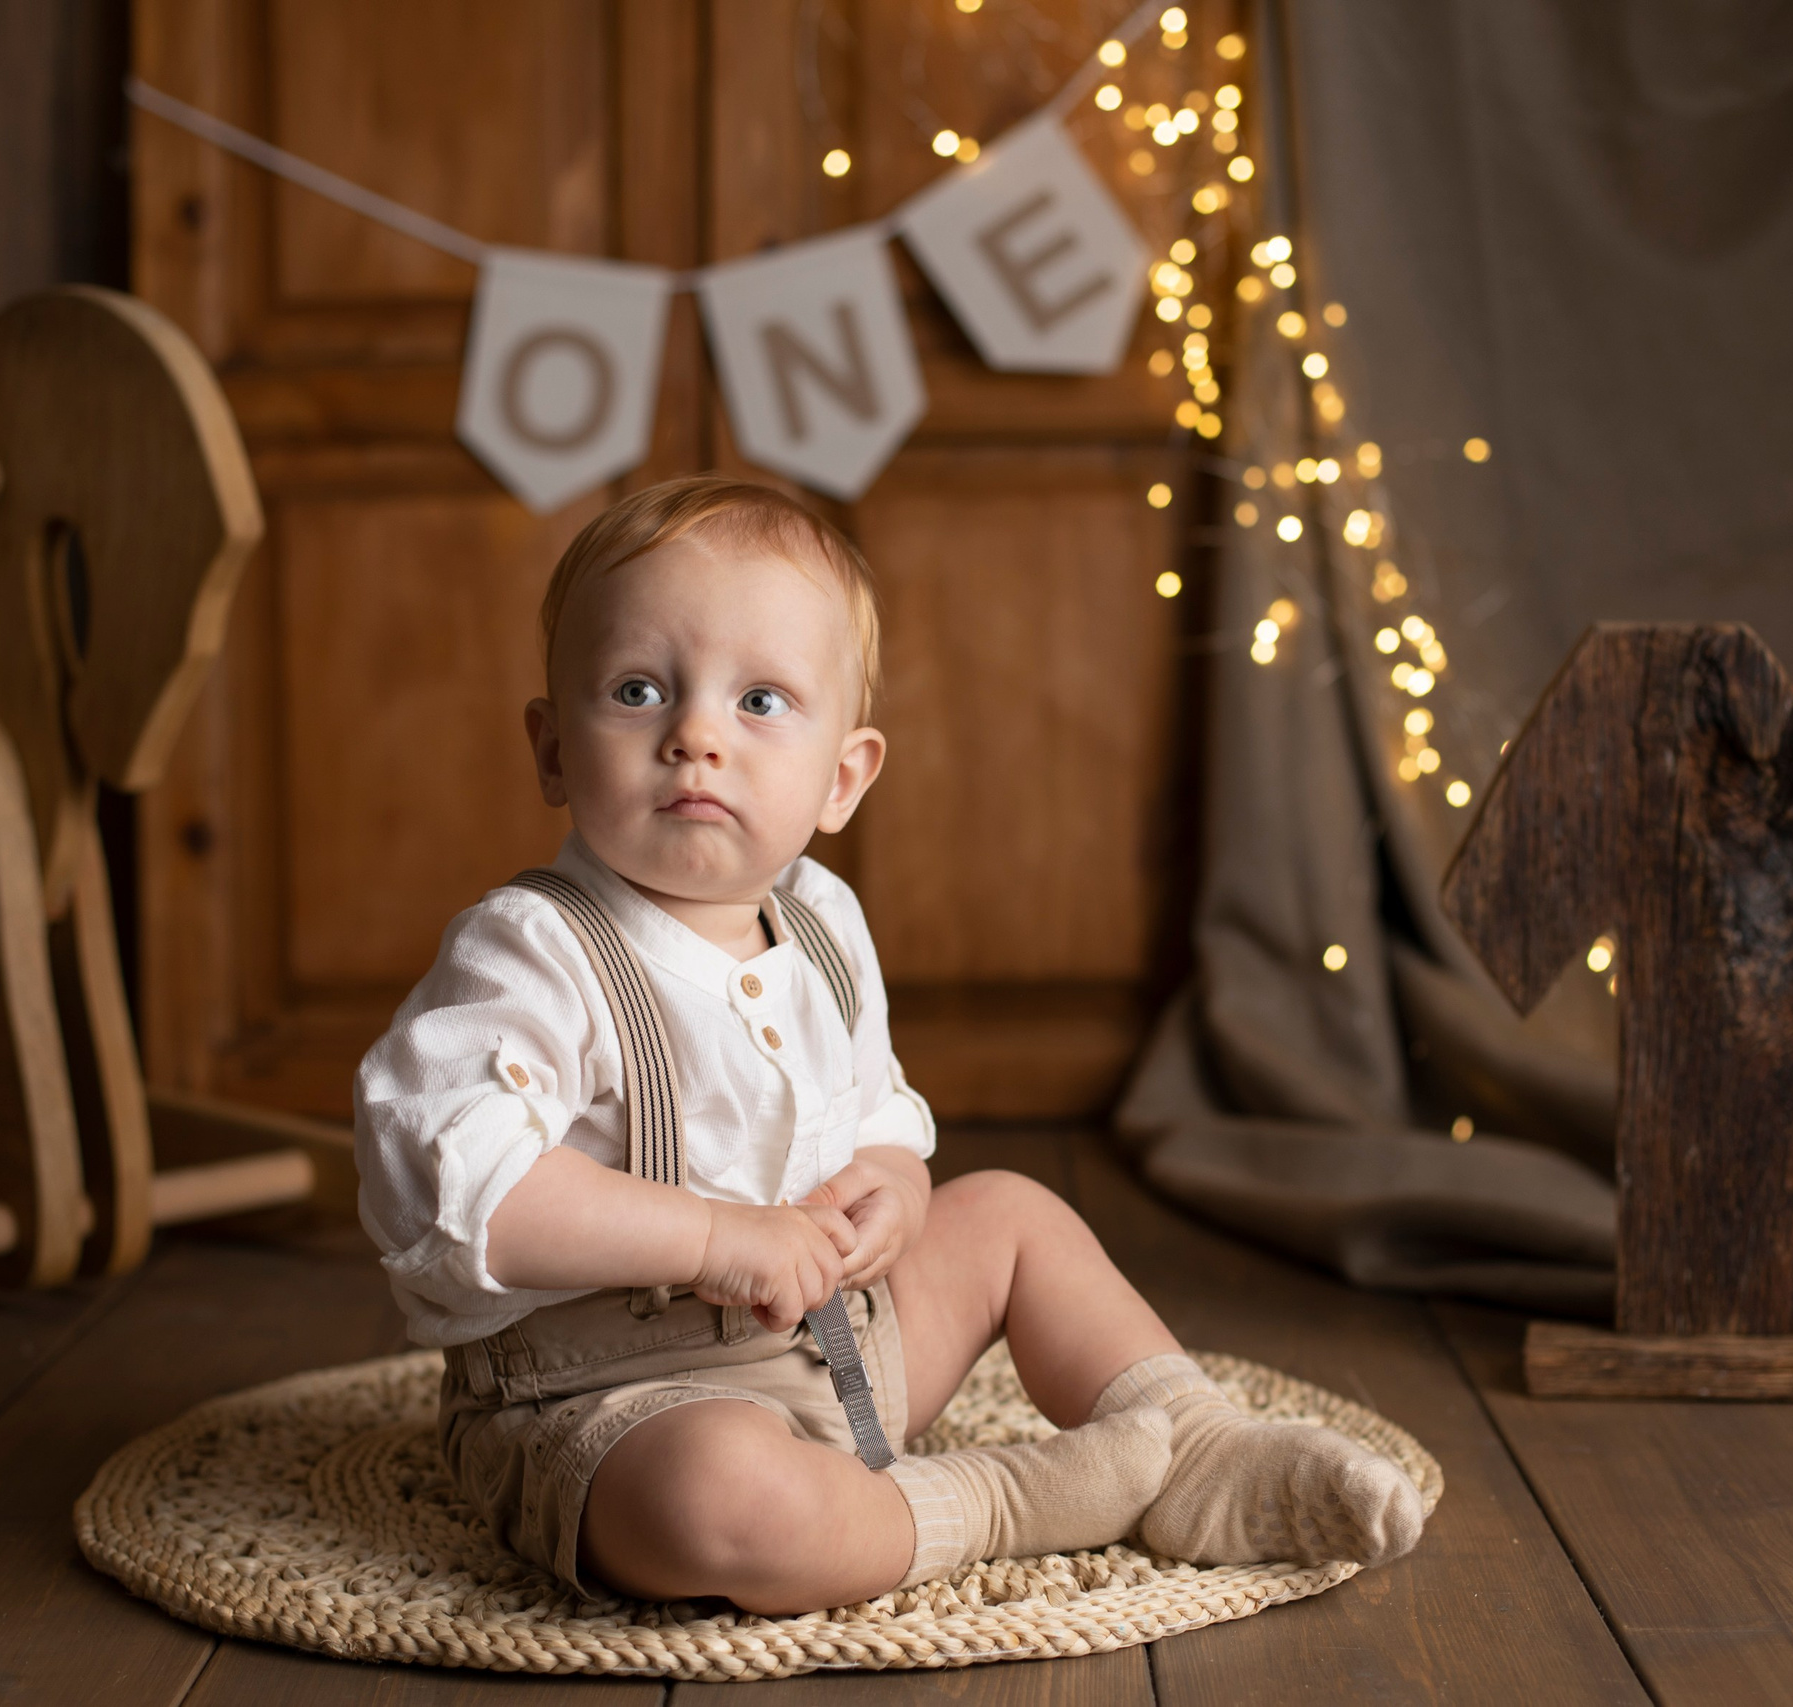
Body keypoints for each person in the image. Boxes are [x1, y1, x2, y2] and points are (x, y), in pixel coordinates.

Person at [355, 475, 1423, 1613]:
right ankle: (999, 1502)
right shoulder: (530, 952)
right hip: (612, 1404)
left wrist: (894, 1191)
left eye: (760, 701)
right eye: (635, 690)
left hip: (841, 1351)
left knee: (1010, 1213)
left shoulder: (820, 921)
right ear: (554, 748)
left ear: (843, 777)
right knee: (722, 1504)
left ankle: (1198, 1447)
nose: (696, 736)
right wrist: (716, 1235)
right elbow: (463, 1188)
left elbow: (871, 1116)